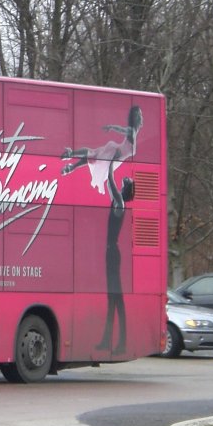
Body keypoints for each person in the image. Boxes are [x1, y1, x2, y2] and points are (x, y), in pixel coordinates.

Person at [96, 150, 134, 353]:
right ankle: (110, 340)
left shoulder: (119, 202)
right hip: (111, 252)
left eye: (125, 181)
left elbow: (110, 180)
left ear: (125, 188)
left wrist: (111, 162)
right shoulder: (119, 202)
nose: (122, 181)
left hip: (113, 254)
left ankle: (120, 342)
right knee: (113, 298)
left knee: (116, 298)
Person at [61, 106, 143, 195]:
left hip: (116, 159)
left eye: (139, 114)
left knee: (93, 158)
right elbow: (122, 129)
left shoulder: (135, 132)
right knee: (93, 154)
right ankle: (72, 156)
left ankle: (72, 163)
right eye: (137, 114)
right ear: (134, 117)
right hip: (114, 153)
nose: (139, 116)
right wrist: (111, 127)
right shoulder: (131, 131)